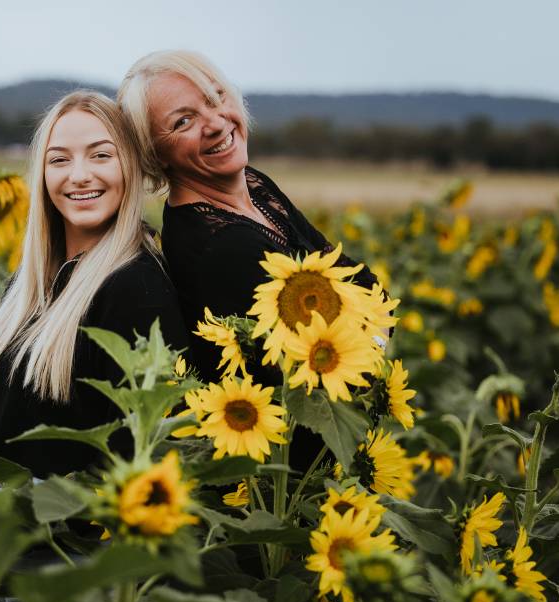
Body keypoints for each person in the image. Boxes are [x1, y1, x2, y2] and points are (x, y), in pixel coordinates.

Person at [0, 90, 189, 602]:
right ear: (41, 176)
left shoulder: (135, 287)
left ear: (130, 167)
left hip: (68, 570)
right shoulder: (29, 285)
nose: (79, 174)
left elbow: (143, 447)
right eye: (59, 160)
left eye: (101, 155)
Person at [116, 51, 389, 465]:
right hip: (292, 482)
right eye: (183, 121)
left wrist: (365, 325)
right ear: (155, 155)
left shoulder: (254, 187)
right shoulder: (219, 247)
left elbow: (362, 281)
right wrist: (371, 333)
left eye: (216, 97)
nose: (216, 122)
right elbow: (331, 372)